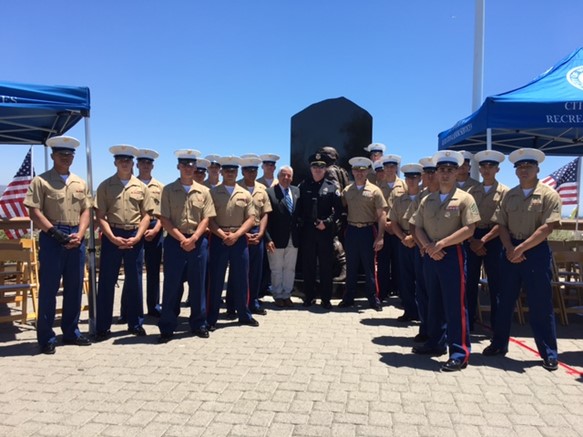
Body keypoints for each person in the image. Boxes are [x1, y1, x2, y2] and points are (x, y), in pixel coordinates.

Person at [482, 148, 561, 371]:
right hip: (510, 250)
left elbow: (547, 227)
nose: (524, 170)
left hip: (535, 252)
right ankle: (499, 344)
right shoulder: (510, 195)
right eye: (520, 167)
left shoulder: (548, 195)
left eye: (528, 166)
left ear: (537, 169)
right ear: (515, 171)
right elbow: (502, 224)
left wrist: (521, 248)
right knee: (503, 301)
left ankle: (548, 353)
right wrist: (509, 247)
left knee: (540, 304)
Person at [410, 150, 480, 372]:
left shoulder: (465, 198)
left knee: (454, 305)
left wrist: (442, 244)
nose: (446, 174)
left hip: (453, 256)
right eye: (441, 170)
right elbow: (417, 226)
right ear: (436, 173)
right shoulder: (427, 200)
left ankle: (459, 352)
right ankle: (435, 343)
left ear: (457, 172)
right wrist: (428, 246)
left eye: (450, 170)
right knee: (434, 302)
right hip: (431, 254)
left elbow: (470, 229)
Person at [24, 135, 92, 354]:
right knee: (49, 289)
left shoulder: (79, 183)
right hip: (52, 235)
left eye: (70, 155)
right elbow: (34, 211)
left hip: (75, 235)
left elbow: (86, 210)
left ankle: (71, 332)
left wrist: (80, 233)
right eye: (62, 154)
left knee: (74, 287)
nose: (66, 158)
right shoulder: (41, 181)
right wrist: (53, 232)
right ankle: (46, 337)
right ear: (53, 156)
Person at [94, 145, 154, 341]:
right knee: (106, 282)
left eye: (127, 160)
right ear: (115, 163)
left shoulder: (141, 187)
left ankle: (136, 324)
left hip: (135, 236)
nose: (124, 163)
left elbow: (146, 215)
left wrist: (138, 236)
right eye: (121, 160)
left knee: (135, 282)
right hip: (113, 235)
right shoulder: (105, 186)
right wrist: (111, 237)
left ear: (132, 163)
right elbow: (100, 216)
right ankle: (103, 326)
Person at [157, 150, 216, 343]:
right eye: (184, 165)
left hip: (198, 242)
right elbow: (164, 218)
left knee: (198, 285)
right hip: (175, 242)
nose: (188, 168)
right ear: (178, 167)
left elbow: (206, 218)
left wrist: (195, 238)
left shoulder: (204, 191)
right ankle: (167, 326)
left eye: (191, 165)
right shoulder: (168, 190)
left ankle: (199, 324)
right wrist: (183, 239)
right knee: (172, 286)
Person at [207, 156, 259, 329]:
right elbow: (209, 219)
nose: (230, 173)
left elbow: (251, 218)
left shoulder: (244, 193)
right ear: (221, 172)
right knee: (215, 280)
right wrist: (223, 235)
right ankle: (211, 318)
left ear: (237, 172)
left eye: (233, 170)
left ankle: (244, 314)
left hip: (239, 238)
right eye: (227, 170)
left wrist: (236, 235)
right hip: (218, 238)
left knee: (242, 278)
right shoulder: (212, 193)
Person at [119, 148, 164, 321]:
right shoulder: (129, 183)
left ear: (152, 166)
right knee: (132, 271)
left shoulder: (160, 187)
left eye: (149, 163)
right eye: (143, 163)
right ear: (136, 165)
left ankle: (153, 307)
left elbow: (163, 213)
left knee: (153, 271)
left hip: (154, 227)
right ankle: (127, 311)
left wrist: (156, 229)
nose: (146, 166)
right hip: (134, 228)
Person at [466, 150, 508, 330]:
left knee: (496, 286)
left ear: (497, 169)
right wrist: (473, 241)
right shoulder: (471, 191)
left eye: (491, 166)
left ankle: (497, 327)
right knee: (468, 284)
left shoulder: (506, 192)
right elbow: (464, 219)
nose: (486, 169)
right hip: (472, 239)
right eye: (483, 166)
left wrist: (483, 240)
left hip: (495, 239)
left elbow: (504, 222)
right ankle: (467, 323)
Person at [339, 157, 387, 311]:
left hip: (368, 231)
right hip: (352, 231)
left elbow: (381, 215)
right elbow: (341, 208)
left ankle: (373, 299)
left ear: (367, 171)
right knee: (351, 266)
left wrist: (380, 237)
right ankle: (348, 298)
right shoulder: (347, 191)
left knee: (369, 267)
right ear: (352, 171)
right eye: (356, 170)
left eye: (362, 170)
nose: (359, 173)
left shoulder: (375, 190)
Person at [296, 152, 343, 309]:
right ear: (311, 168)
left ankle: (326, 298)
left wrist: (328, 223)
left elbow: (338, 210)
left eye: (321, 167)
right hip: (308, 232)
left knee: (325, 266)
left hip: (325, 232)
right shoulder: (303, 186)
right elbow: (299, 209)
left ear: (325, 169)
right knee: (308, 266)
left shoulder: (331, 187)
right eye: (315, 166)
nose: (318, 169)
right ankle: (309, 297)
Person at [407, 156, 439, 343]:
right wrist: (422, 246)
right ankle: (425, 328)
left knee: (440, 294)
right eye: (425, 173)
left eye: (432, 172)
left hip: (444, 250)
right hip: (424, 251)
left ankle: (440, 333)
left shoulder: (452, 194)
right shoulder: (420, 197)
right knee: (423, 291)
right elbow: (412, 224)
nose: (428, 176)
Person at [236, 157, 272, 315]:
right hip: (239, 233)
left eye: (254, 170)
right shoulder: (236, 187)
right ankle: (234, 303)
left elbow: (265, 213)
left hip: (257, 232)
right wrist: (243, 233)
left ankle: (253, 302)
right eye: (249, 170)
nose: (252, 173)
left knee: (256, 271)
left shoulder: (262, 189)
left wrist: (261, 233)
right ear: (243, 171)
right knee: (239, 271)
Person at [388, 163, 422, 323]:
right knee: (405, 278)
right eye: (408, 177)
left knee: (421, 278)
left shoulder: (427, 198)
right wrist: (403, 237)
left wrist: (414, 239)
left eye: (415, 177)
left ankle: (423, 312)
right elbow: (393, 222)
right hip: (403, 241)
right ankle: (409, 311)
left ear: (420, 178)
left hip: (421, 243)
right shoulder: (399, 200)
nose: (412, 180)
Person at [265, 166, 300, 307]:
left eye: (289, 176)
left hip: (294, 237)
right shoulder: (270, 193)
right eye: (283, 175)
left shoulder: (297, 191)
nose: (286, 178)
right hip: (276, 238)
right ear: (278, 177)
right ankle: (278, 294)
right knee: (277, 268)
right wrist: (268, 239)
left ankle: (287, 294)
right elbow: (265, 218)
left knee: (290, 268)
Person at [377, 154, 407, 300]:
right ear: (383, 169)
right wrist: (385, 224)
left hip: (399, 229)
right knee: (383, 262)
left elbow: (408, 205)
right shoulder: (378, 187)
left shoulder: (404, 185)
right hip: (383, 229)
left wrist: (394, 224)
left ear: (396, 168)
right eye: (387, 167)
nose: (389, 169)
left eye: (392, 167)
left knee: (399, 263)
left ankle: (401, 292)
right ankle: (383, 292)